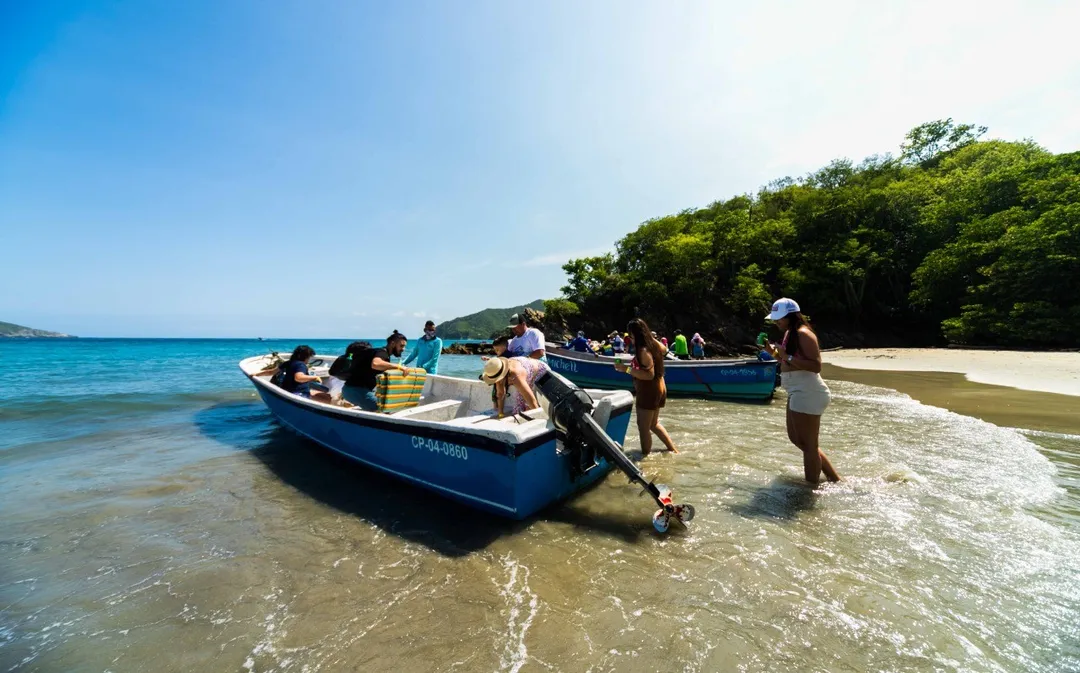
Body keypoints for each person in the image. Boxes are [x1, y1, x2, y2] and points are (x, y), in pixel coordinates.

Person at [763, 298, 840, 484]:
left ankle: (811, 490)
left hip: (808, 391)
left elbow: (815, 366)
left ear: (790, 316)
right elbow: (789, 361)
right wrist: (774, 354)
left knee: (809, 445)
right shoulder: (791, 333)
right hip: (797, 390)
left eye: (779, 318)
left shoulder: (804, 334)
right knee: (797, 440)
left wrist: (784, 355)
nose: (776, 322)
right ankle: (834, 479)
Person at [614, 319, 678, 456]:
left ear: (635, 334)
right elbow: (665, 350)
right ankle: (673, 450)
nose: (630, 339)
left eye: (630, 336)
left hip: (650, 390)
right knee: (653, 424)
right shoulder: (653, 344)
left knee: (643, 428)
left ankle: (645, 458)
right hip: (661, 386)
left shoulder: (643, 350)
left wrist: (625, 369)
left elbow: (649, 375)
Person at [342, 331, 411, 411]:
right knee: (382, 410)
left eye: (404, 346)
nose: (403, 349)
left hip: (352, 390)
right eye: (401, 346)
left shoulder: (382, 353)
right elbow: (375, 364)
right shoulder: (382, 353)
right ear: (392, 343)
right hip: (356, 390)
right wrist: (399, 367)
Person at [481, 356, 549, 419]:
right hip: (525, 371)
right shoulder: (498, 371)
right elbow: (500, 393)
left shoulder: (516, 376)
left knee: (528, 407)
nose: (496, 382)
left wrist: (537, 420)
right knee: (518, 409)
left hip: (540, 372)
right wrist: (500, 414)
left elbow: (532, 402)